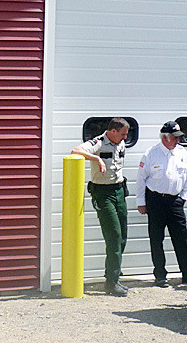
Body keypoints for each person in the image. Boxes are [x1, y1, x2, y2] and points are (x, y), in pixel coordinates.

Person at [136, 121, 187, 288]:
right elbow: (141, 179)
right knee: (156, 239)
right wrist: (141, 202)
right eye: (175, 138)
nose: (177, 141)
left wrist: (184, 197)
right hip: (155, 200)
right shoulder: (151, 154)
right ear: (165, 137)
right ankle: (160, 276)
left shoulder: (182, 152)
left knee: (182, 239)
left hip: (175, 201)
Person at [72, 117, 130, 296]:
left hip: (119, 191)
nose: (125, 138)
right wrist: (96, 159)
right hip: (103, 194)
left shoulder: (120, 144)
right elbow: (76, 150)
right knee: (114, 235)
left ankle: (114, 270)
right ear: (112, 131)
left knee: (123, 236)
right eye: (122, 134)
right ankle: (111, 283)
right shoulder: (99, 142)